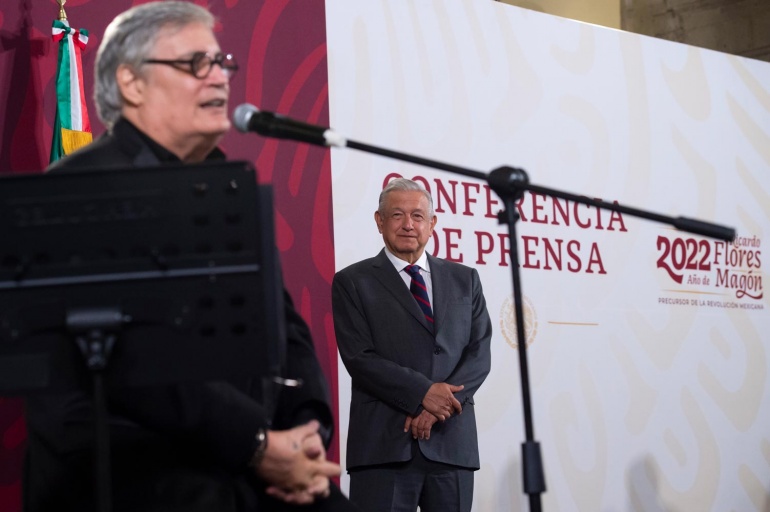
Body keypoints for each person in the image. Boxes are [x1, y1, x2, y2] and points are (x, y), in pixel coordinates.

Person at [25, 2, 356, 511]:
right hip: (129, 465)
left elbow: (283, 326)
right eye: (195, 64)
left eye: (221, 63)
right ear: (132, 83)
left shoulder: (228, 186)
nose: (220, 79)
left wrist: (308, 428)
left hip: (236, 455)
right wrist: (258, 445)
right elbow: (132, 359)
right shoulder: (81, 190)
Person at [332, 178, 493, 512]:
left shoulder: (465, 279)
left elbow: (479, 352)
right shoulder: (352, 282)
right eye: (397, 215)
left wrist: (441, 406)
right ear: (379, 221)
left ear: (432, 224)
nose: (408, 224)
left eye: (418, 216)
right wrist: (422, 394)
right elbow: (360, 358)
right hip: (384, 446)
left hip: (452, 444)